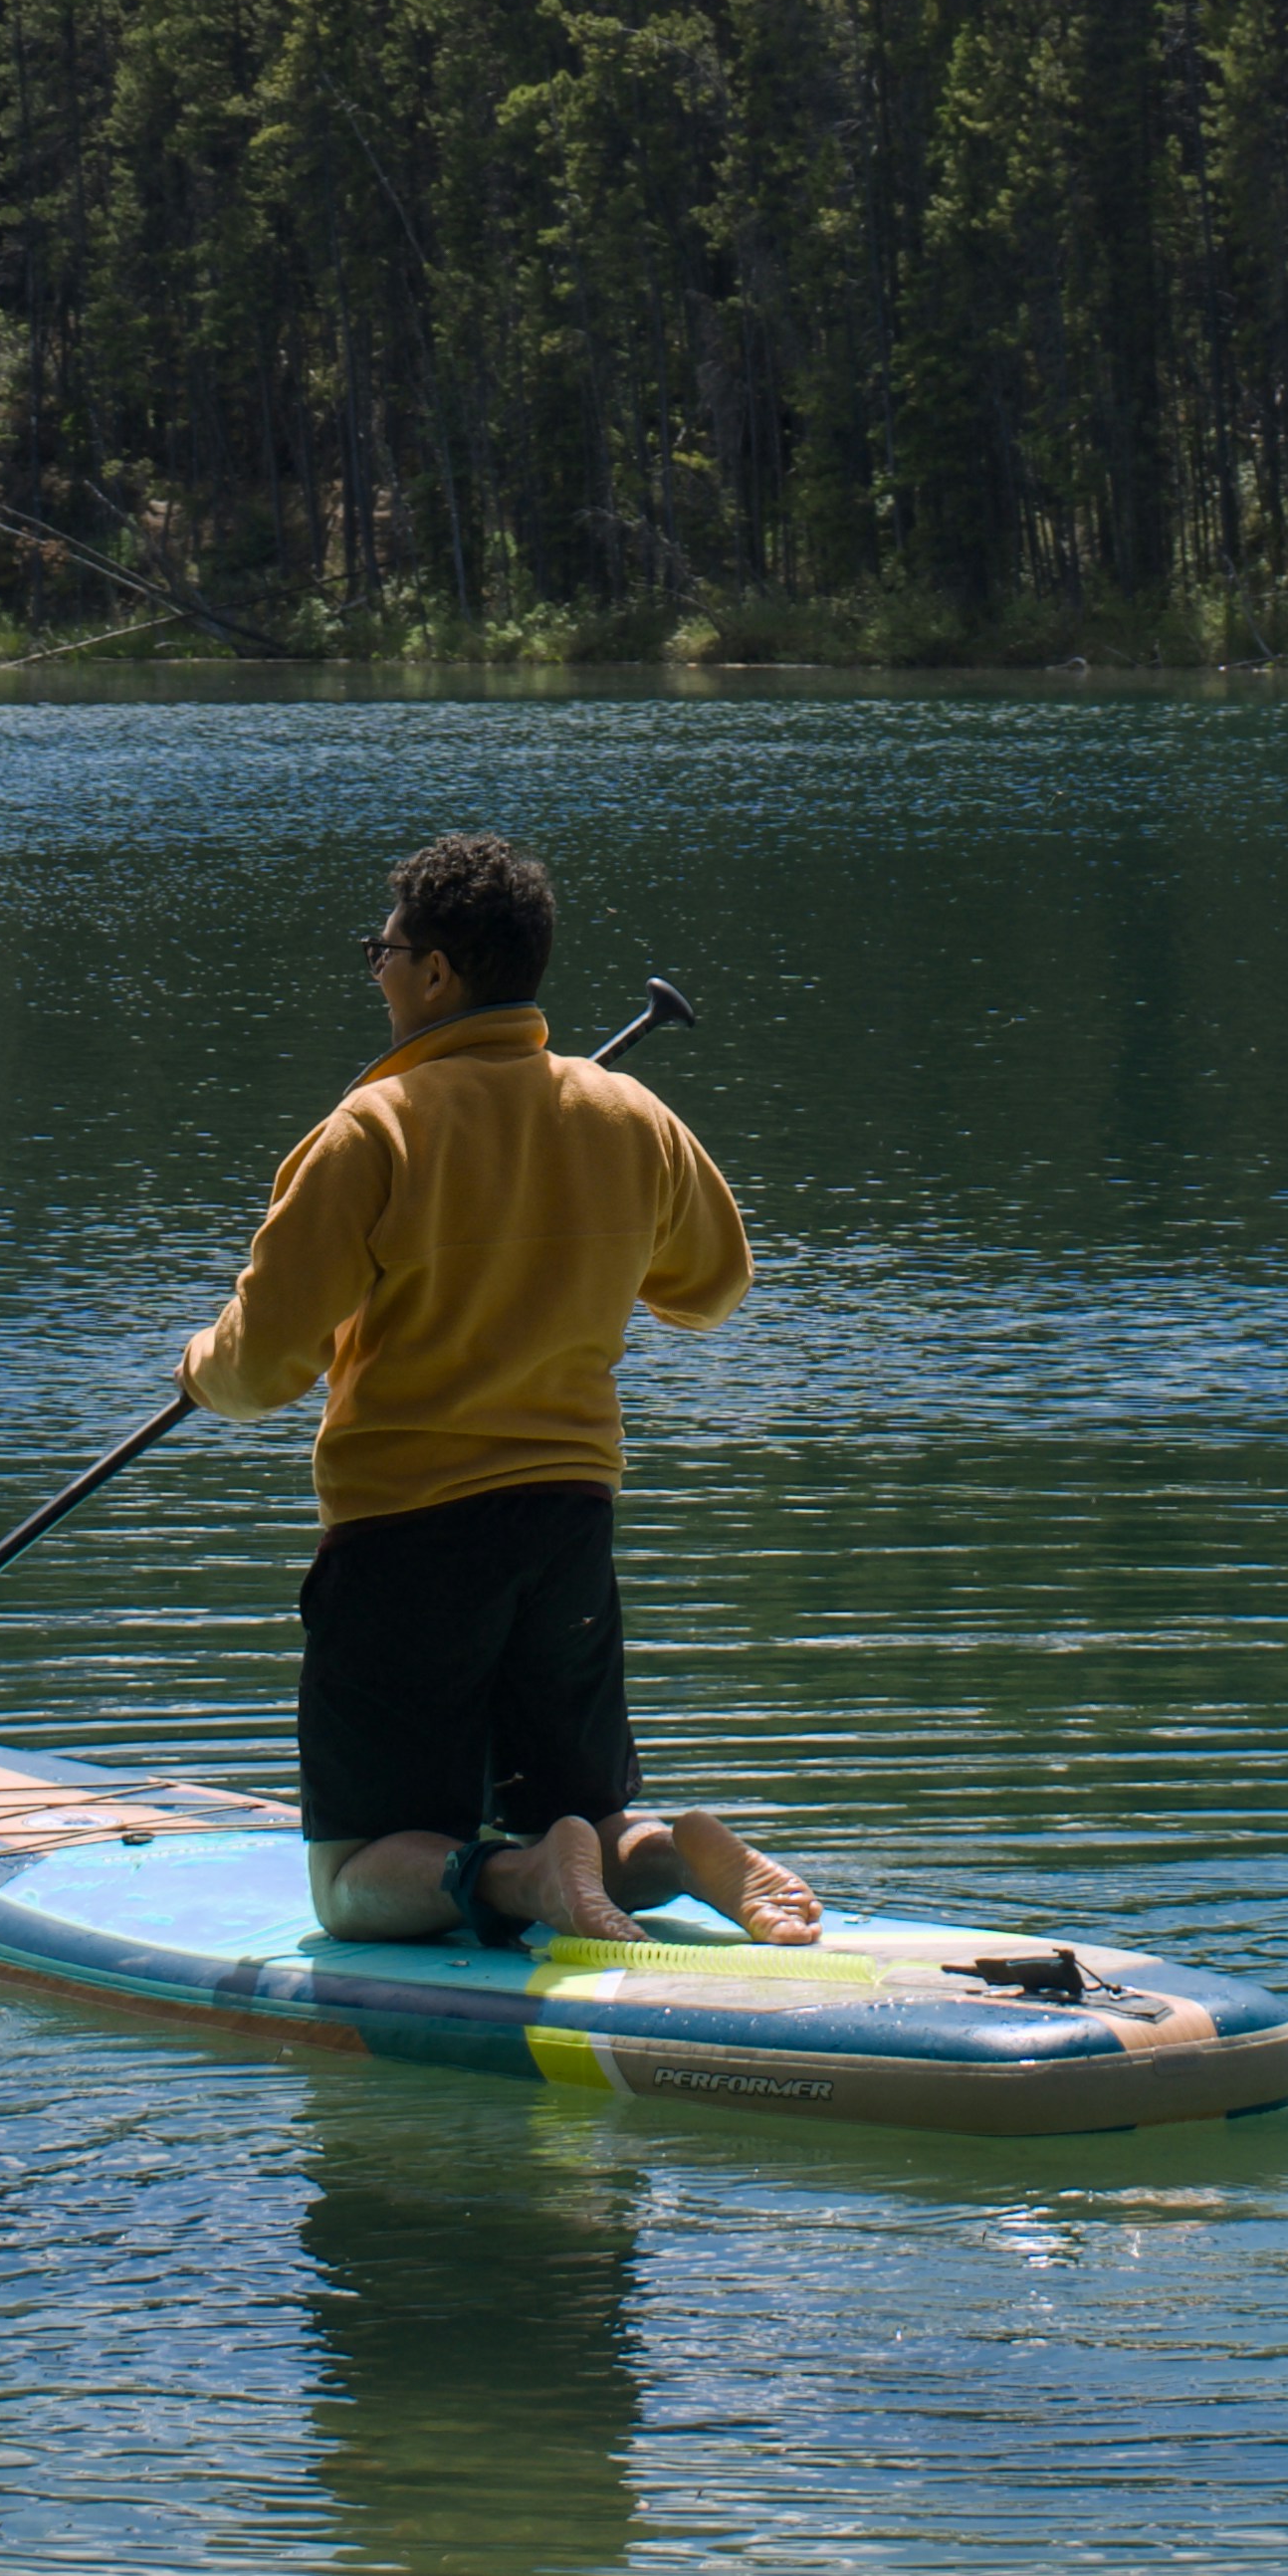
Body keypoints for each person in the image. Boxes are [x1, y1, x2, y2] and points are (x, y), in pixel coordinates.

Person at [177, 830, 822, 1953]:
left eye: (382, 949)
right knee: (587, 1806)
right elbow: (711, 1289)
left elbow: (257, 1368)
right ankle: (664, 1851)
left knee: (354, 1875)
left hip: (406, 1533)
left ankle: (526, 1883)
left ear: (436, 973)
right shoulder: (628, 1114)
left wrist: (196, 1360)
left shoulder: (371, 1131)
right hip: (565, 1522)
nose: (375, 968)